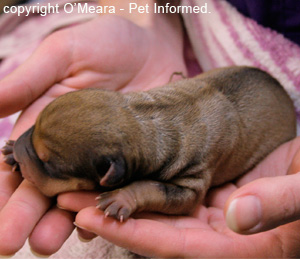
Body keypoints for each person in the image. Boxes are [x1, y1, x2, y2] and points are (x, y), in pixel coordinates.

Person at [1, 0, 300, 257]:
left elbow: (188, 194)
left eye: (45, 160)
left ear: (110, 174)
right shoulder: (132, 115)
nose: (25, 150)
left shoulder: (187, 156)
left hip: (271, 113)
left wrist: (133, 197)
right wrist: (140, 20)